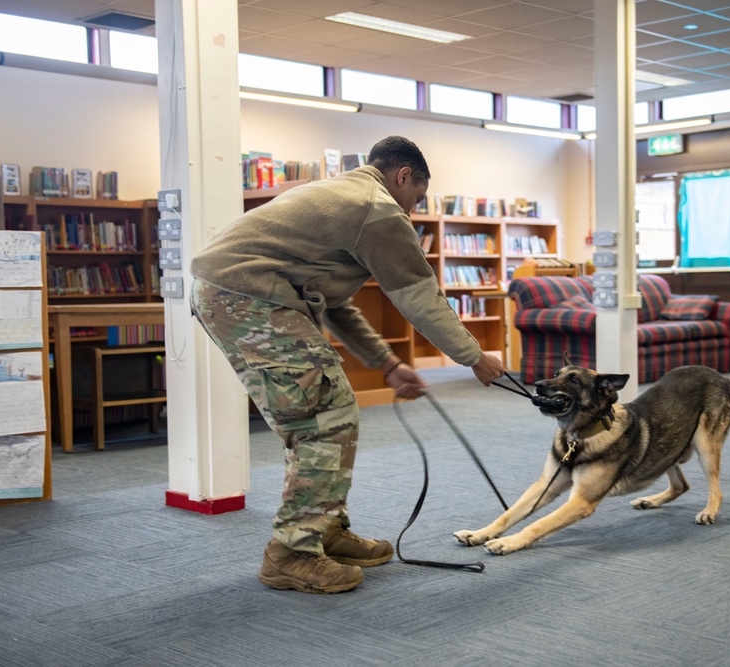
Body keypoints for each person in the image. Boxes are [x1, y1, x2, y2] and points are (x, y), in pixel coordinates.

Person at [189, 135, 505, 594]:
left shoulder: (346, 198)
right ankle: (292, 553)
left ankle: (323, 532)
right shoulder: (378, 209)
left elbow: (336, 305)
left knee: (323, 413)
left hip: (237, 294)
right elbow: (421, 298)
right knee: (323, 419)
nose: (413, 212)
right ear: (402, 177)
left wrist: (388, 363)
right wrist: (474, 357)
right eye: (416, 198)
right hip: (247, 297)